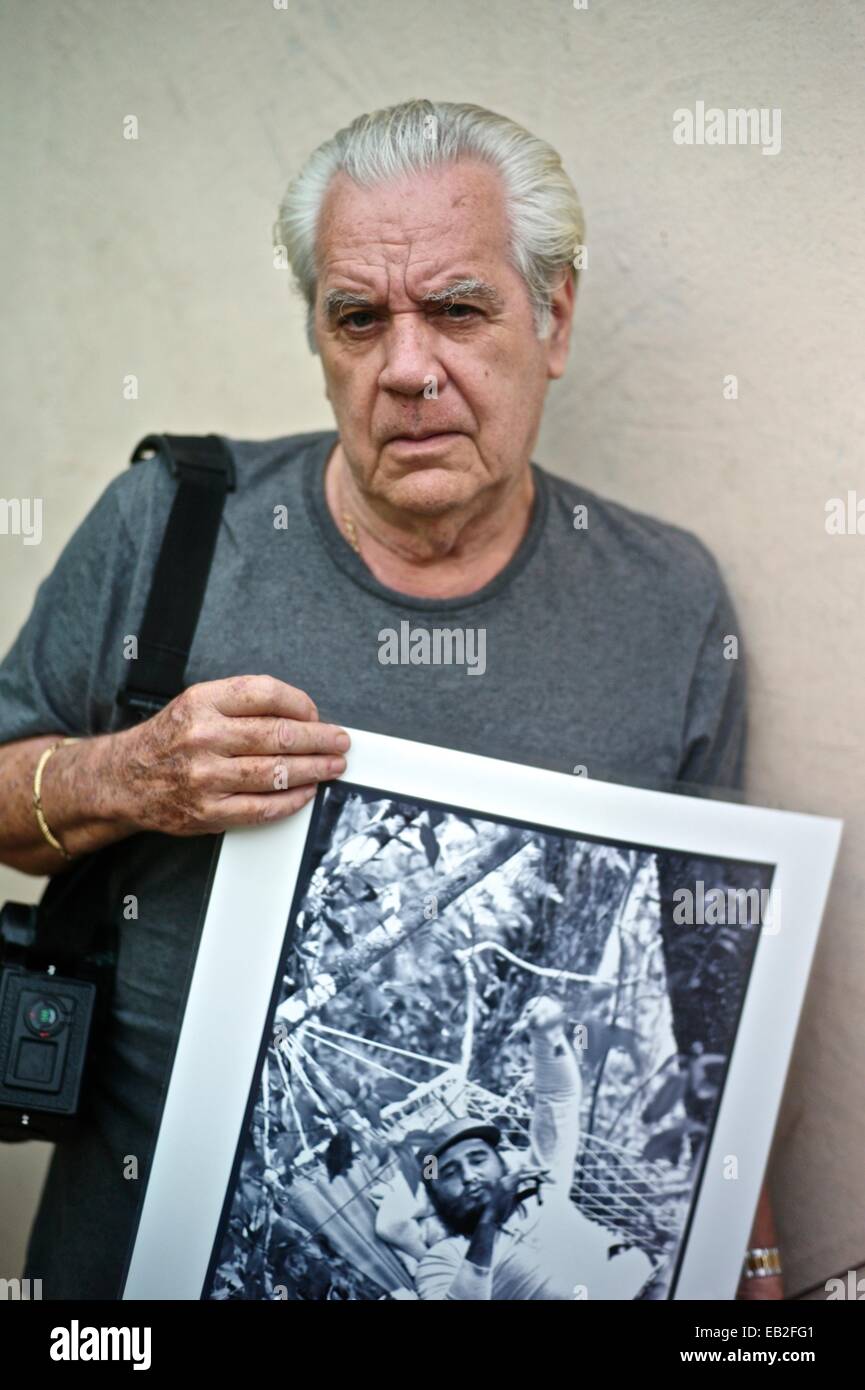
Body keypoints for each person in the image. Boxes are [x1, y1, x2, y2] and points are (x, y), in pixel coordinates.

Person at [0, 98, 780, 1299]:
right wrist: (131, 772)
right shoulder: (172, 525)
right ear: (319, 336)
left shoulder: (665, 601)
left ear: (554, 316)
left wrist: (753, 1280)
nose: (408, 368)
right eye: (359, 319)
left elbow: (718, 996)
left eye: (460, 309)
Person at [413, 997, 654, 1300]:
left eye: (478, 1159)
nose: (470, 1176)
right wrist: (488, 1224)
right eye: (449, 1172)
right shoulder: (443, 1259)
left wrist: (546, 1035)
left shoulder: (544, 1187)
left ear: (502, 1165)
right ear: (434, 1196)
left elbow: (558, 1098)